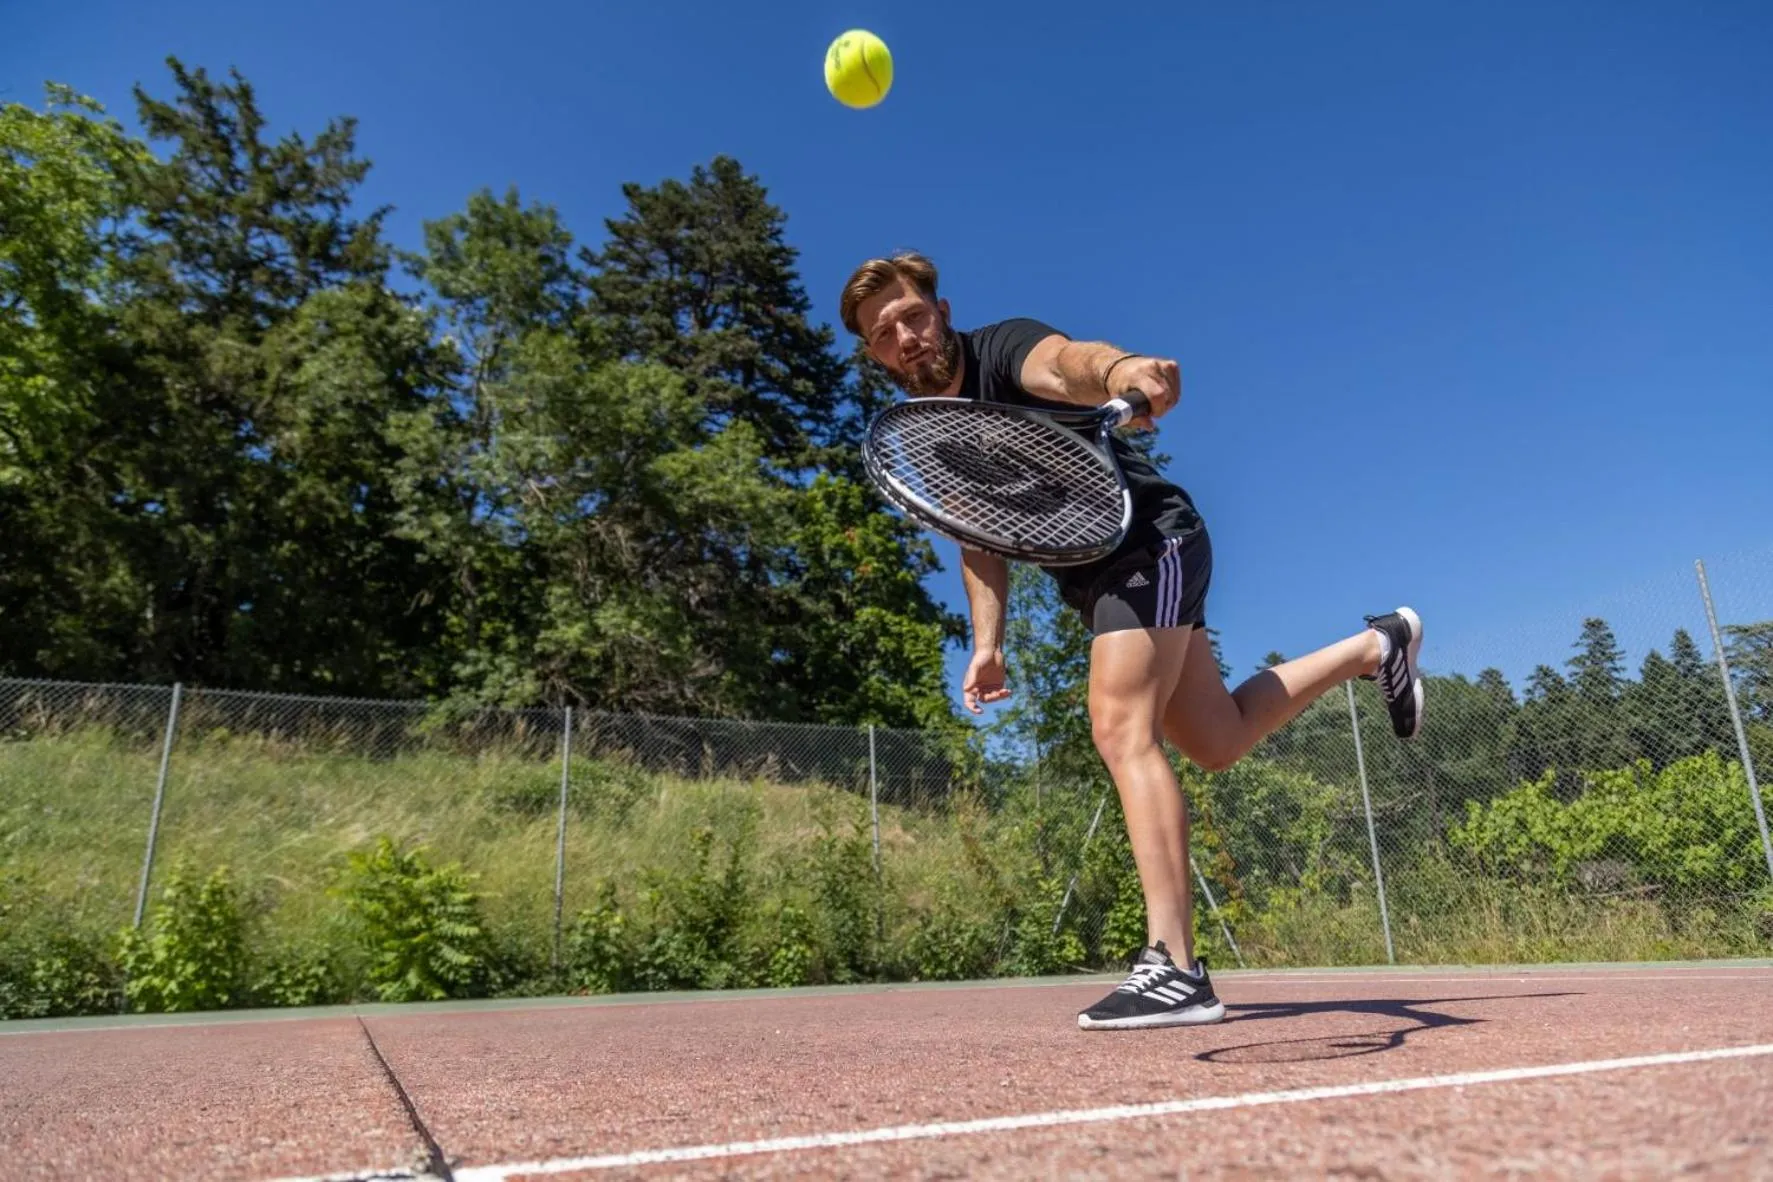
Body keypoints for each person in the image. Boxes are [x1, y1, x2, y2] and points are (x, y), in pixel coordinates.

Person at [839, 250, 1426, 1031]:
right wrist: (989, 643)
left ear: (940, 313)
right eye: (885, 333)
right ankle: (1375, 648)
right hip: (1095, 580)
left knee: (1120, 729)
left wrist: (1124, 371)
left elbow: (1068, 365)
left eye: (913, 315)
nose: (905, 335)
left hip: (1151, 544)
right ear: (875, 354)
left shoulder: (1004, 349)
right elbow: (977, 539)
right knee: (1214, 740)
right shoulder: (936, 435)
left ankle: (1175, 965)